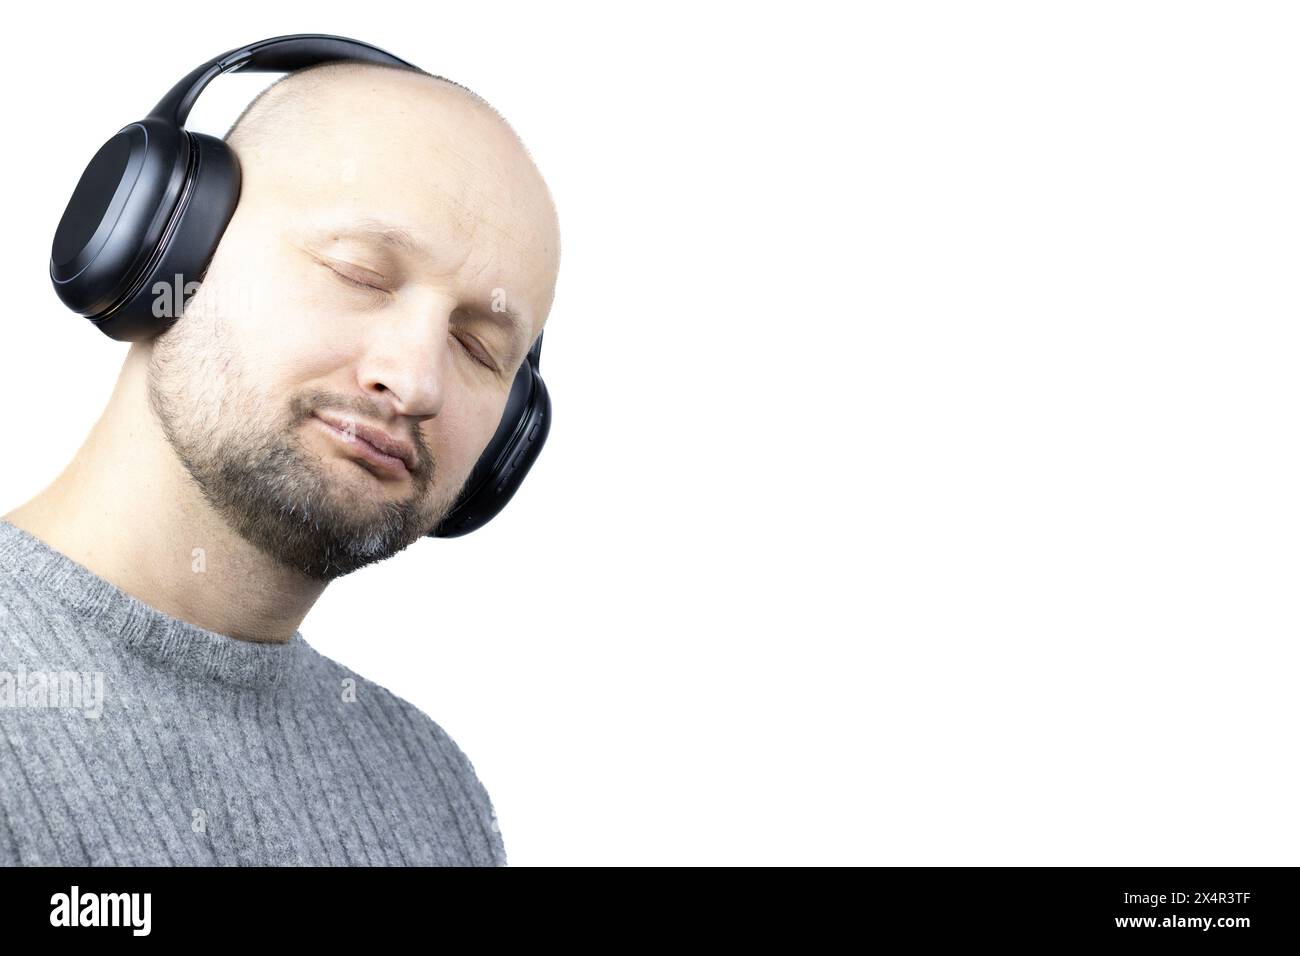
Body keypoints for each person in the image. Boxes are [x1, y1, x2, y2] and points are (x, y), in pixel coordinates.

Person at [0, 58, 561, 865]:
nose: (413, 381)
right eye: (359, 274)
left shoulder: (436, 796)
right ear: (162, 246)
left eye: (478, 346)